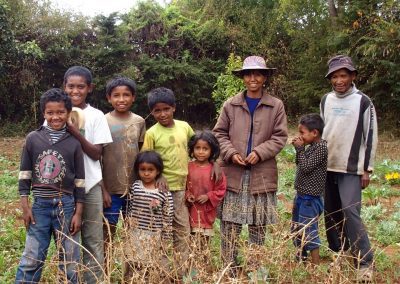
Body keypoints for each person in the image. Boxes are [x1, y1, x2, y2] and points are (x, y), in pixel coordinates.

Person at [213, 55, 288, 277]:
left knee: (258, 224)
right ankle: (229, 268)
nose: (252, 78)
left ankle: (256, 269)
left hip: (261, 174)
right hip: (234, 172)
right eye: (248, 74)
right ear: (243, 78)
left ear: (264, 77)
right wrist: (231, 153)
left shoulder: (276, 105)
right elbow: (219, 133)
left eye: (257, 74)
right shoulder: (231, 104)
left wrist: (259, 152)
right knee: (230, 224)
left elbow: (280, 136)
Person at [15, 89, 85, 283]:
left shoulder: (74, 143)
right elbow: (25, 174)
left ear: (68, 113)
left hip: (67, 205)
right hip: (40, 207)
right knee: (32, 257)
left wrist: (78, 213)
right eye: (50, 113)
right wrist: (25, 206)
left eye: (61, 112)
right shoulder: (33, 139)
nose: (56, 117)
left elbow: (80, 180)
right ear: (44, 114)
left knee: (70, 260)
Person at [320, 55, 377, 281]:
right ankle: (340, 253)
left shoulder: (363, 102)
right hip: (328, 166)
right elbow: (323, 131)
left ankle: (365, 261)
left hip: (351, 168)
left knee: (350, 212)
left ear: (352, 76)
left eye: (343, 75)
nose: (339, 80)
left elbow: (370, 136)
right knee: (331, 213)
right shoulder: (326, 100)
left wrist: (367, 168)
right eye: (335, 76)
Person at [64, 66, 113, 283]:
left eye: (80, 87)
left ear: (89, 88)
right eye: (71, 86)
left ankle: (93, 279)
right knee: (68, 240)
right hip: (64, 188)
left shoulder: (96, 116)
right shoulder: (55, 112)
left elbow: (96, 153)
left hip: (91, 186)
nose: (75, 91)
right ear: (64, 87)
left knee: (93, 240)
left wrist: (74, 131)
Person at [141, 87, 195, 280]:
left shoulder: (184, 127)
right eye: (157, 110)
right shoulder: (152, 133)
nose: (162, 114)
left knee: (182, 230)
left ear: (174, 108)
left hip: (181, 189)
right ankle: (162, 272)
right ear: (152, 112)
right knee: (161, 231)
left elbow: (196, 149)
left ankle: (182, 273)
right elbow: (146, 161)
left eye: (166, 109)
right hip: (159, 192)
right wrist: (158, 176)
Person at [101, 76, 146, 270]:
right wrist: (102, 189)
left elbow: (143, 155)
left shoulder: (139, 121)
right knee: (108, 232)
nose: (121, 99)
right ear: (109, 98)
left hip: (134, 189)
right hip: (110, 190)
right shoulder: (103, 121)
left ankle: (131, 273)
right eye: (116, 95)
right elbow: (97, 157)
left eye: (126, 95)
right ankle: (105, 270)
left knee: (133, 231)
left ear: (133, 97)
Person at [124, 151, 174, 281]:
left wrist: (166, 238)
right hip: (135, 234)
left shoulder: (163, 192)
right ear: (138, 170)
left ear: (158, 171)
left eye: (150, 170)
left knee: (151, 265)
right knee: (133, 263)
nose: (146, 173)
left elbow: (167, 216)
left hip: (153, 236)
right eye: (143, 170)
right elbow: (130, 208)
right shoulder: (135, 187)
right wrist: (127, 226)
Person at [291, 113, 327, 266]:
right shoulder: (312, 146)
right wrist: (301, 149)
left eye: (302, 133)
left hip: (310, 198)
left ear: (314, 133)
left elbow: (305, 167)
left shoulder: (321, 148)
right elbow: (300, 163)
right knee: (297, 228)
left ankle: (315, 264)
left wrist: (299, 149)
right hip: (302, 196)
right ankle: (301, 258)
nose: (300, 136)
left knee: (309, 230)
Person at [185, 131, 227, 259]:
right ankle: (192, 266)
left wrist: (208, 196)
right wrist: (188, 195)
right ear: (192, 149)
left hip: (207, 211)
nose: (201, 152)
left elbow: (221, 188)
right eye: (197, 148)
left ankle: (203, 264)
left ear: (212, 151)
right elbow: (184, 186)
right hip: (191, 210)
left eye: (205, 149)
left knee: (204, 242)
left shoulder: (215, 170)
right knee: (191, 240)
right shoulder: (188, 167)